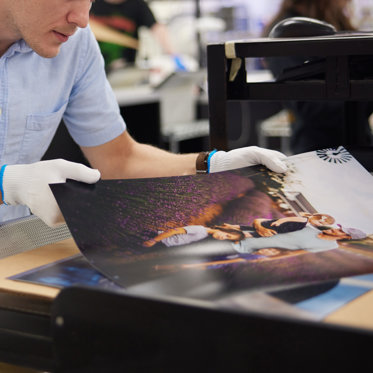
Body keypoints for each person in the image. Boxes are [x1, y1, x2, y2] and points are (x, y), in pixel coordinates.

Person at [0, 0, 287, 228]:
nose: (83, 19)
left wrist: (209, 165)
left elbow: (120, 159)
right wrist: (6, 184)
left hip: (14, 244)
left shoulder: (75, 47)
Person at [262, 0, 373, 154]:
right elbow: (310, 107)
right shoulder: (289, 32)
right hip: (318, 151)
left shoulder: (335, 22)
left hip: (357, 142)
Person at [90, 0, 181, 70]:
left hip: (124, 70)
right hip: (92, 67)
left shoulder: (136, 4)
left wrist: (173, 54)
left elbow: (157, 28)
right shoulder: (90, 3)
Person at [232, 223, 366, 255]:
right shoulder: (307, 226)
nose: (335, 229)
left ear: (346, 237)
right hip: (236, 236)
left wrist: (263, 255)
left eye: (340, 231)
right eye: (339, 227)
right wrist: (237, 227)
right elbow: (270, 225)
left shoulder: (330, 247)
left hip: (247, 252)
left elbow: (291, 254)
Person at [143, 224, 246, 247]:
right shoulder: (200, 229)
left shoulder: (206, 235)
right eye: (227, 235)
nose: (222, 238)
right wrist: (153, 241)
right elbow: (173, 231)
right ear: (224, 230)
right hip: (157, 239)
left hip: (163, 244)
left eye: (226, 239)